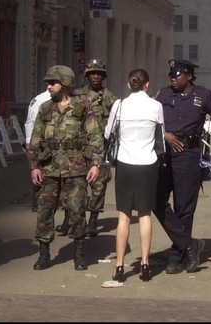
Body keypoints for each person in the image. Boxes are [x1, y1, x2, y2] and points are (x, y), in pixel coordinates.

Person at [154, 59, 211, 274]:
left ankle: (178, 255)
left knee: (184, 208)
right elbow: (153, 119)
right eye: (171, 75)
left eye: (176, 75)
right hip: (165, 153)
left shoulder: (203, 95)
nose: (172, 79)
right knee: (155, 198)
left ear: (188, 76)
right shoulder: (163, 94)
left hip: (188, 153)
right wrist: (163, 135)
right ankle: (189, 244)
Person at [27, 65, 103, 271]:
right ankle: (44, 255)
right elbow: (35, 140)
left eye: (52, 82)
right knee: (44, 212)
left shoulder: (82, 106)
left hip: (75, 167)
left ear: (65, 84)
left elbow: (96, 135)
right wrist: (34, 166)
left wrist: (96, 163)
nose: (49, 86)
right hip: (49, 167)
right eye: (48, 83)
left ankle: (79, 254)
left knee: (77, 211)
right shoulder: (45, 108)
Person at [104, 68, 164, 283]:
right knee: (145, 214)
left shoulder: (119, 106)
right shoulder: (156, 106)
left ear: (129, 84)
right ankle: (145, 264)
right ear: (147, 85)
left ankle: (120, 266)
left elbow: (108, 134)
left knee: (124, 216)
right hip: (148, 164)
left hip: (125, 163)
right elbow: (161, 139)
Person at [70, 59, 116, 237]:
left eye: (99, 73)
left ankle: (94, 219)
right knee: (73, 184)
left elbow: (117, 119)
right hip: (79, 147)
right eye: (92, 73)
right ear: (87, 76)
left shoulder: (108, 96)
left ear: (103, 76)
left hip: (100, 148)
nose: (96, 76)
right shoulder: (77, 95)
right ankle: (71, 218)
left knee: (99, 186)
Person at [24, 86, 51, 213]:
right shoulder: (39, 100)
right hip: (41, 144)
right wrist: (29, 143)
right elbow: (30, 122)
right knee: (38, 173)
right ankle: (37, 201)